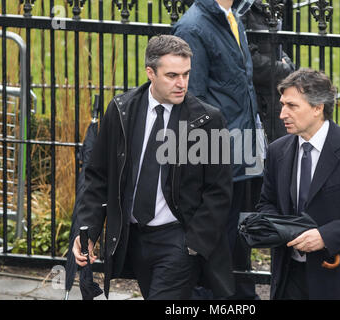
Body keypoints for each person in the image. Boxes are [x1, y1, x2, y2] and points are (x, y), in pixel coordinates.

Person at [72, 35, 234, 300]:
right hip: (133, 238)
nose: (181, 83)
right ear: (150, 73)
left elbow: (219, 190)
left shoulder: (207, 120)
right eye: (172, 75)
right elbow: (98, 176)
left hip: (177, 241)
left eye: (186, 74)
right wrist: (89, 230)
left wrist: (193, 244)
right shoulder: (122, 110)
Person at [257, 68, 340, 300]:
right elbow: (266, 205)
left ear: (318, 108)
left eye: (292, 106)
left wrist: (325, 237)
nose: (282, 114)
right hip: (290, 278)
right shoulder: (278, 151)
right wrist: (284, 229)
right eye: (282, 105)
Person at [172, 0, 263, 300]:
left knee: (238, 238)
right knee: (216, 242)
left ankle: (241, 295)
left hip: (243, 151)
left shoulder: (232, 17)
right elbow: (191, 101)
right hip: (217, 156)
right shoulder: (193, 26)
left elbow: (241, 87)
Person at [241, 0, 295, 143]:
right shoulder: (242, 11)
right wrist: (284, 69)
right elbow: (247, 59)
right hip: (260, 101)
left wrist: (286, 62)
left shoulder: (265, 7)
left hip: (275, 95)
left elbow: (276, 46)